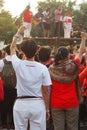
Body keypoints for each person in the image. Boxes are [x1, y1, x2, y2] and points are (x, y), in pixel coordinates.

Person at [10, 26, 52, 130]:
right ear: (37, 51)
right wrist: (47, 109)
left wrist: (19, 32)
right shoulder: (43, 68)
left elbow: (12, 47)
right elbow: (46, 91)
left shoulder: (18, 64)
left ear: (22, 52)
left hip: (21, 104)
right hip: (37, 104)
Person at [48, 32, 86, 130]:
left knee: (58, 128)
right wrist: (83, 39)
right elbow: (80, 52)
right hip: (72, 101)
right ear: (68, 56)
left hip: (55, 103)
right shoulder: (73, 66)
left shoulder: (50, 69)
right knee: (72, 127)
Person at [0, 45, 17, 130]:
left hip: (4, 87)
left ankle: (3, 124)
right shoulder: (18, 62)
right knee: (14, 105)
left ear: (6, 52)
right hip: (15, 87)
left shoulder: (1, 62)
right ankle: (13, 124)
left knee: (4, 105)